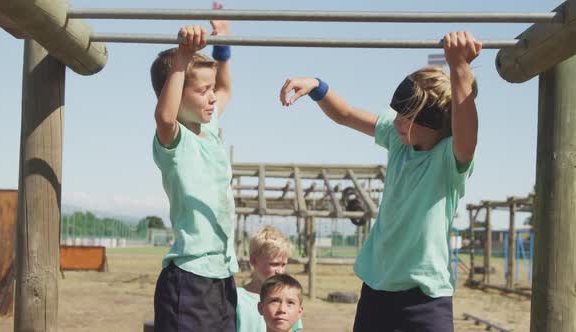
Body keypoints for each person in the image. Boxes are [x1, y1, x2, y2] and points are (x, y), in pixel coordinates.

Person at [279, 31, 481, 332]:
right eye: (398, 113)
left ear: (436, 123)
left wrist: (459, 68)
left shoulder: (447, 161)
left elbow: (466, 132)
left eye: (407, 117)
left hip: (425, 296)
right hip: (378, 287)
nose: (397, 120)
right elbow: (346, 114)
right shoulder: (400, 141)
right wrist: (317, 87)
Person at [150, 14, 237, 332]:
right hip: (189, 278)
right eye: (202, 91)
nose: (212, 97)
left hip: (223, 275)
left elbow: (225, 88)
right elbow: (164, 115)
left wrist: (223, 45)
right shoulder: (173, 141)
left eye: (210, 89)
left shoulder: (210, 129)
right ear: (174, 92)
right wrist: (182, 56)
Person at [237, 226, 303, 331]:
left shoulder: (288, 301)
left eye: (283, 265)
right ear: (254, 261)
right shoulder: (237, 299)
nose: (280, 271)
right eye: (274, 264)